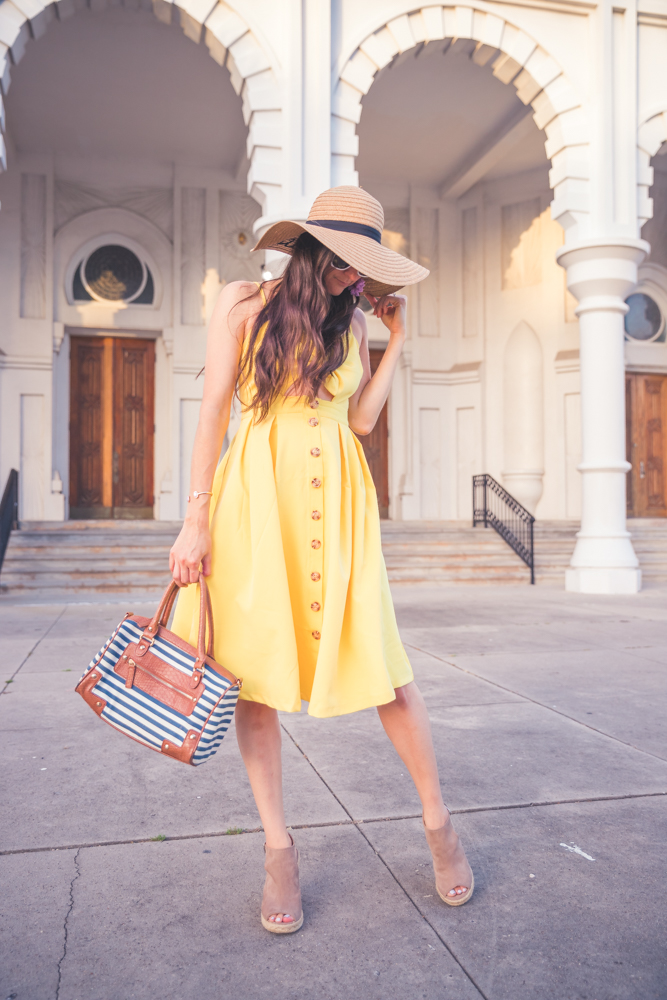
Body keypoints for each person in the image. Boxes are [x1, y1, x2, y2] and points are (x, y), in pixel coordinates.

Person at [169, 186, 474, 933]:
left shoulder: (358, 320)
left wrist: (395, 341)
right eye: (347, 264)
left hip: (338, 501)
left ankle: (438, 823)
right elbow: (213, 408)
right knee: (251, 679)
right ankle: (278, 850)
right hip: (254, 501)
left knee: (385, 668)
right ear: (313, 250)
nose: (356, 277)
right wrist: (195, 520)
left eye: (364, 268)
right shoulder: (242, 304)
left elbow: (360, 419)